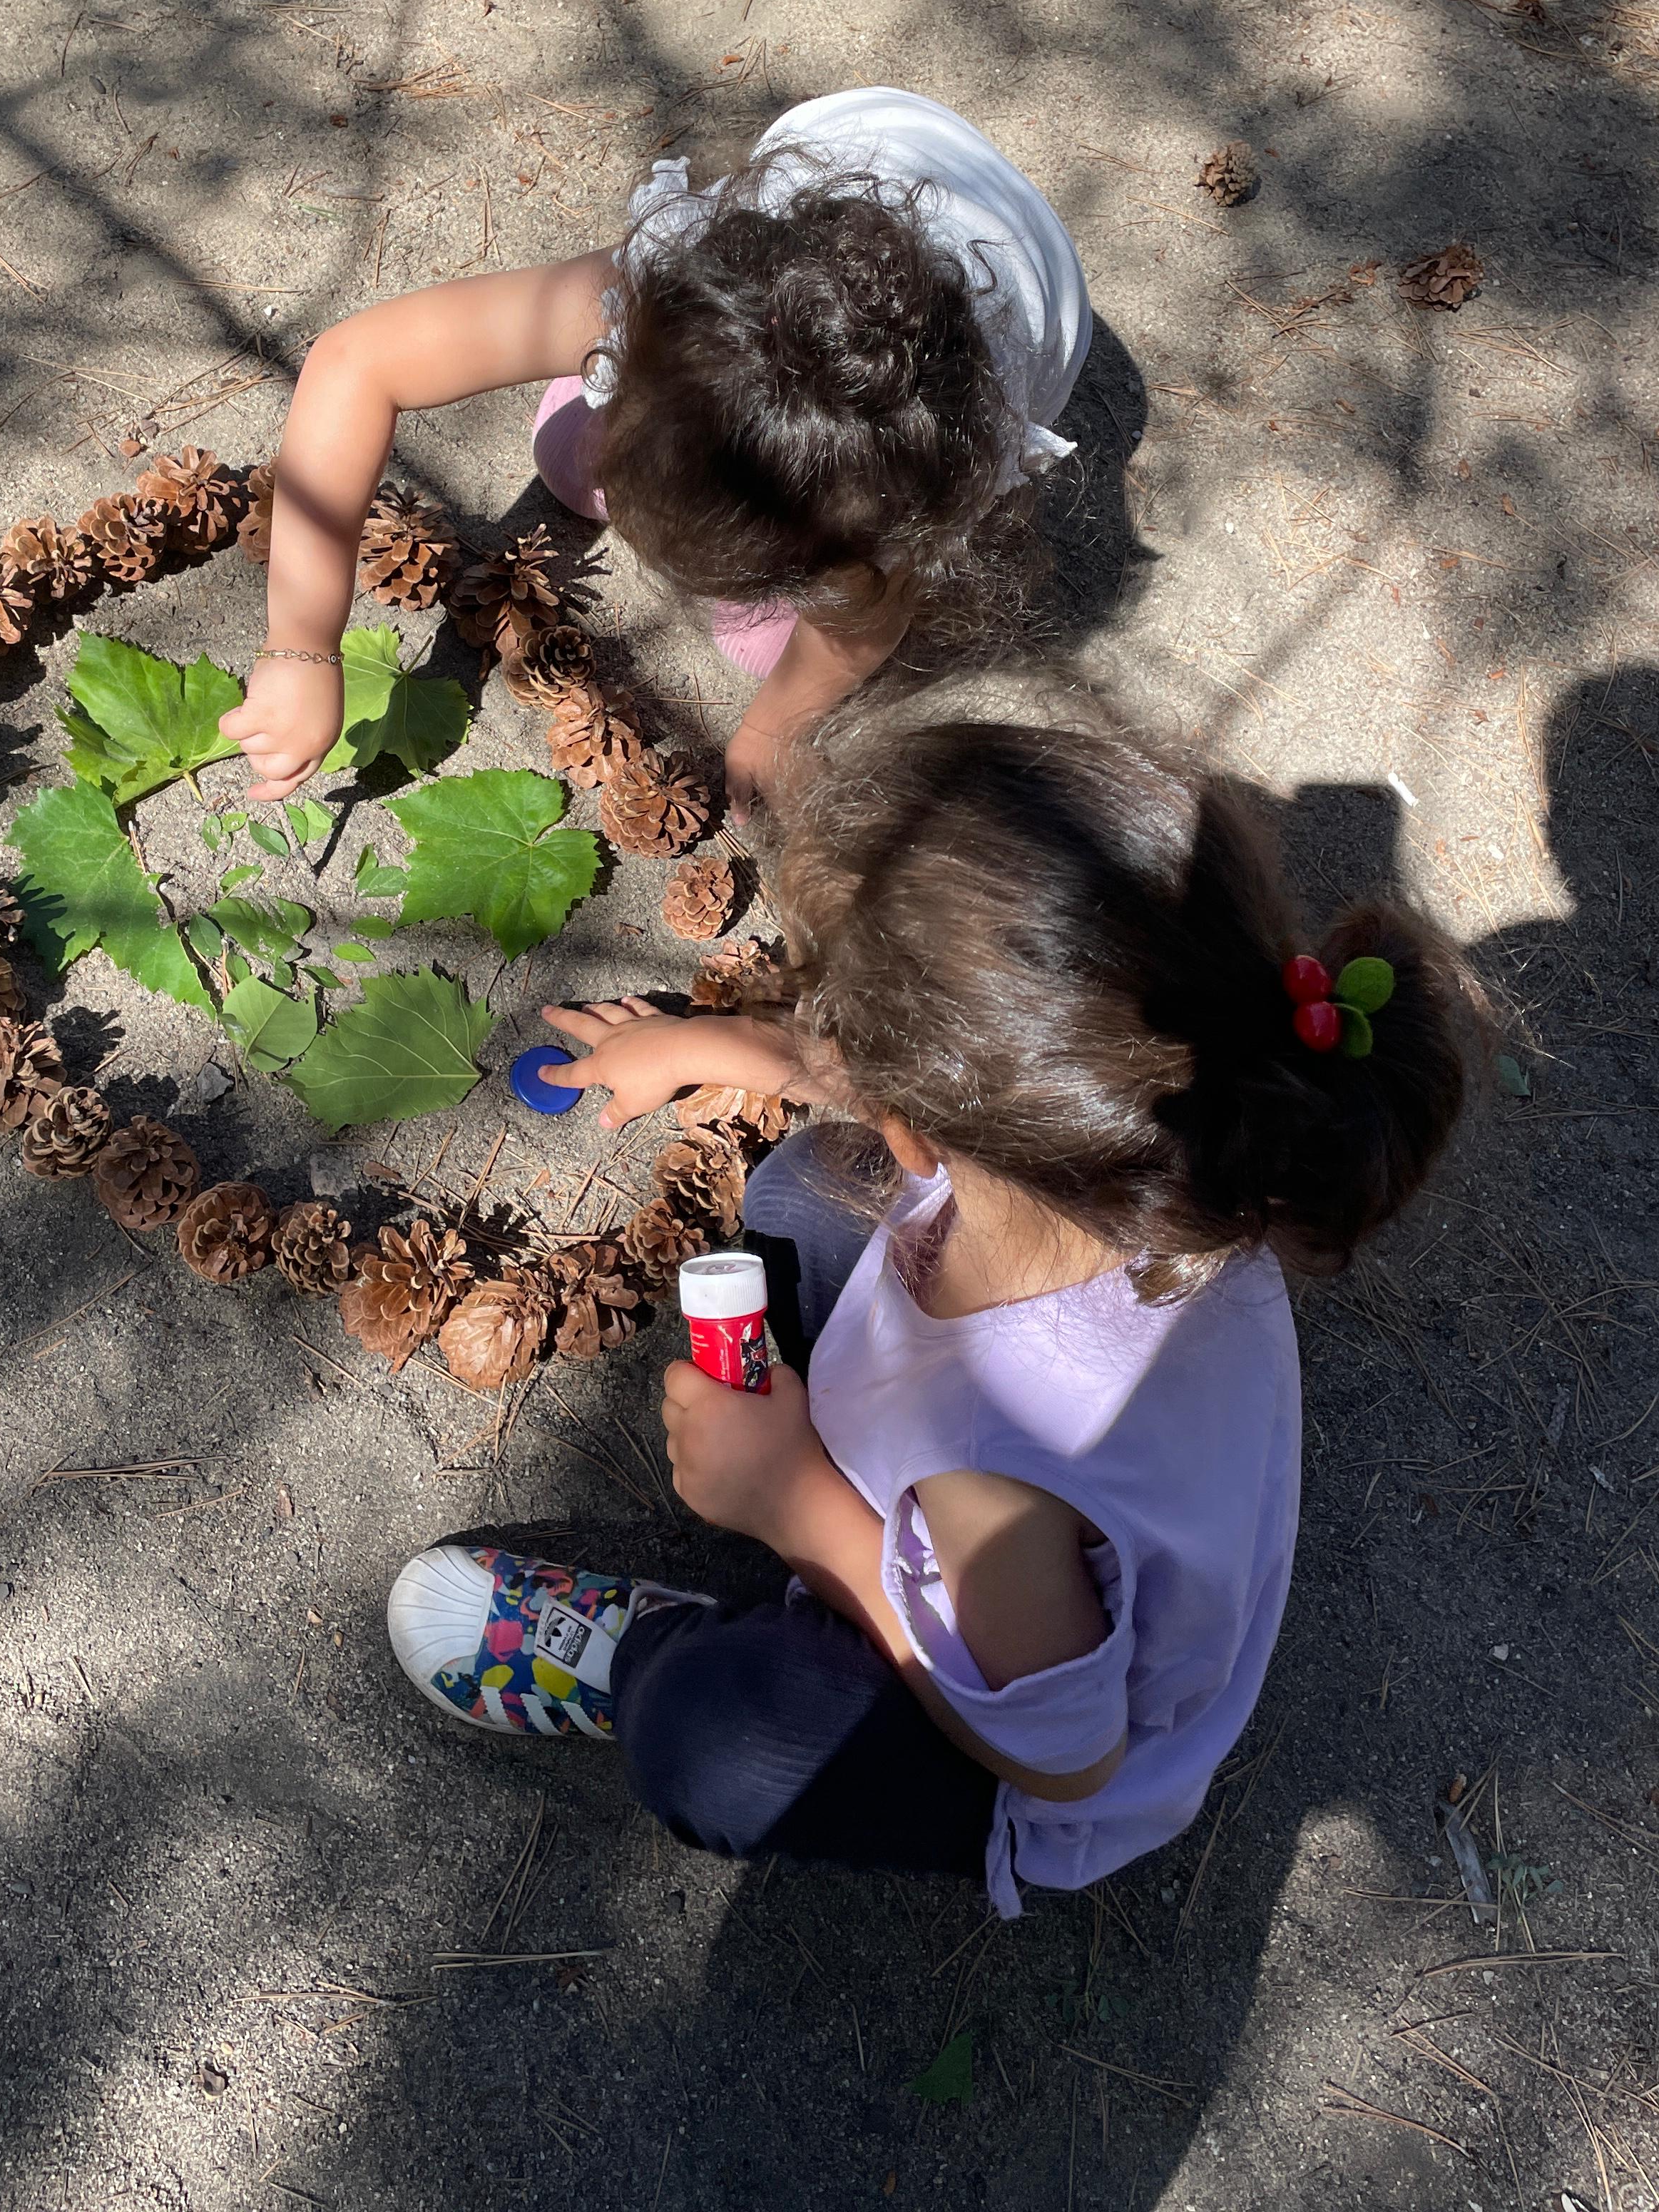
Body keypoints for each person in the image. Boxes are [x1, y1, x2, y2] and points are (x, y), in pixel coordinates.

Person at [384, 717, 1472, 1913]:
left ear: (931, 1121)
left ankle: (643, 1657)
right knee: (804, 1184)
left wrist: (791, 1501)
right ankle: (821, 1522)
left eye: (844, 1033)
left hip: (1012, 1730)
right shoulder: (1176, 1150)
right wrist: (723, 1043)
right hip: (1029, 1485)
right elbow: (942, 1086)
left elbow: (1062, 1755)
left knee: (715, 1741)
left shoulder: (996, 1460)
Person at [219, 89, 1090, 814]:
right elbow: (356, 361)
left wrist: (773, 734)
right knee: (571, 461)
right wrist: (301, 642)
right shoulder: (665, 284)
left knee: (765, 647)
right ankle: (619, 431)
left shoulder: (906, 477)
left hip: (1029, 290)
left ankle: (678, 491)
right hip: (869, 137)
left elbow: (867, 615)